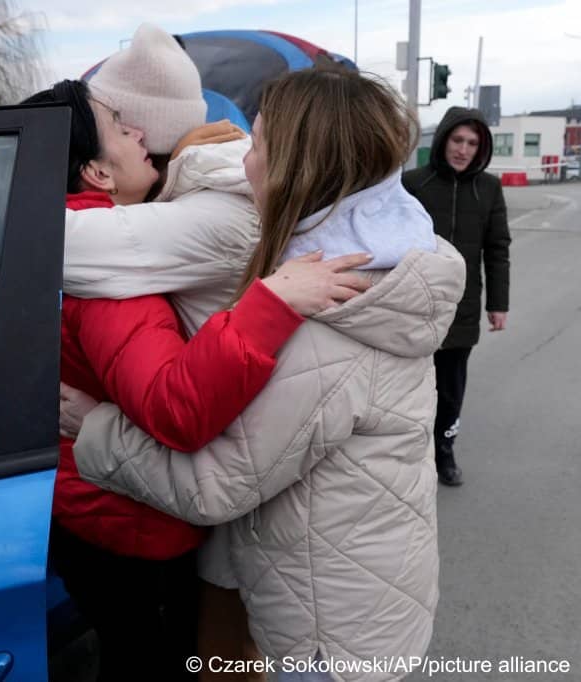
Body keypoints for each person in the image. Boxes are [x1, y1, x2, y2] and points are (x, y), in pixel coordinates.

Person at [65, 65, 466, 681]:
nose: (244, 161)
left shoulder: (323, 314)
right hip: (365, 591)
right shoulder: (379, 257)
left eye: (258, 146)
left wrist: (92, 425)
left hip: (329, 637)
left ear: (297, 171)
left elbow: (216, 486)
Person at [25, 61, 374, 678]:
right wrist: (271, 304)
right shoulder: (115, 277)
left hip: (112, 508)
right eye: (118, 126)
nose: (139, 133)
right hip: (129, 522)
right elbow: (178, 409)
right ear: (96, 171)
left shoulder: (128, 240)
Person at [403, 107, 511, 487]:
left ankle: (444, 452)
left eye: (472, 143)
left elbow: (497, 249)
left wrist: (498, 304)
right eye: (457, 140)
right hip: (414, 306)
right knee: (409, 387)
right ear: (444, 139)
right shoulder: (413, 183)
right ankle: (409, 455)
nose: (463, 150)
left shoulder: (489, 189)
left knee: (450, 389)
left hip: (461, 310)